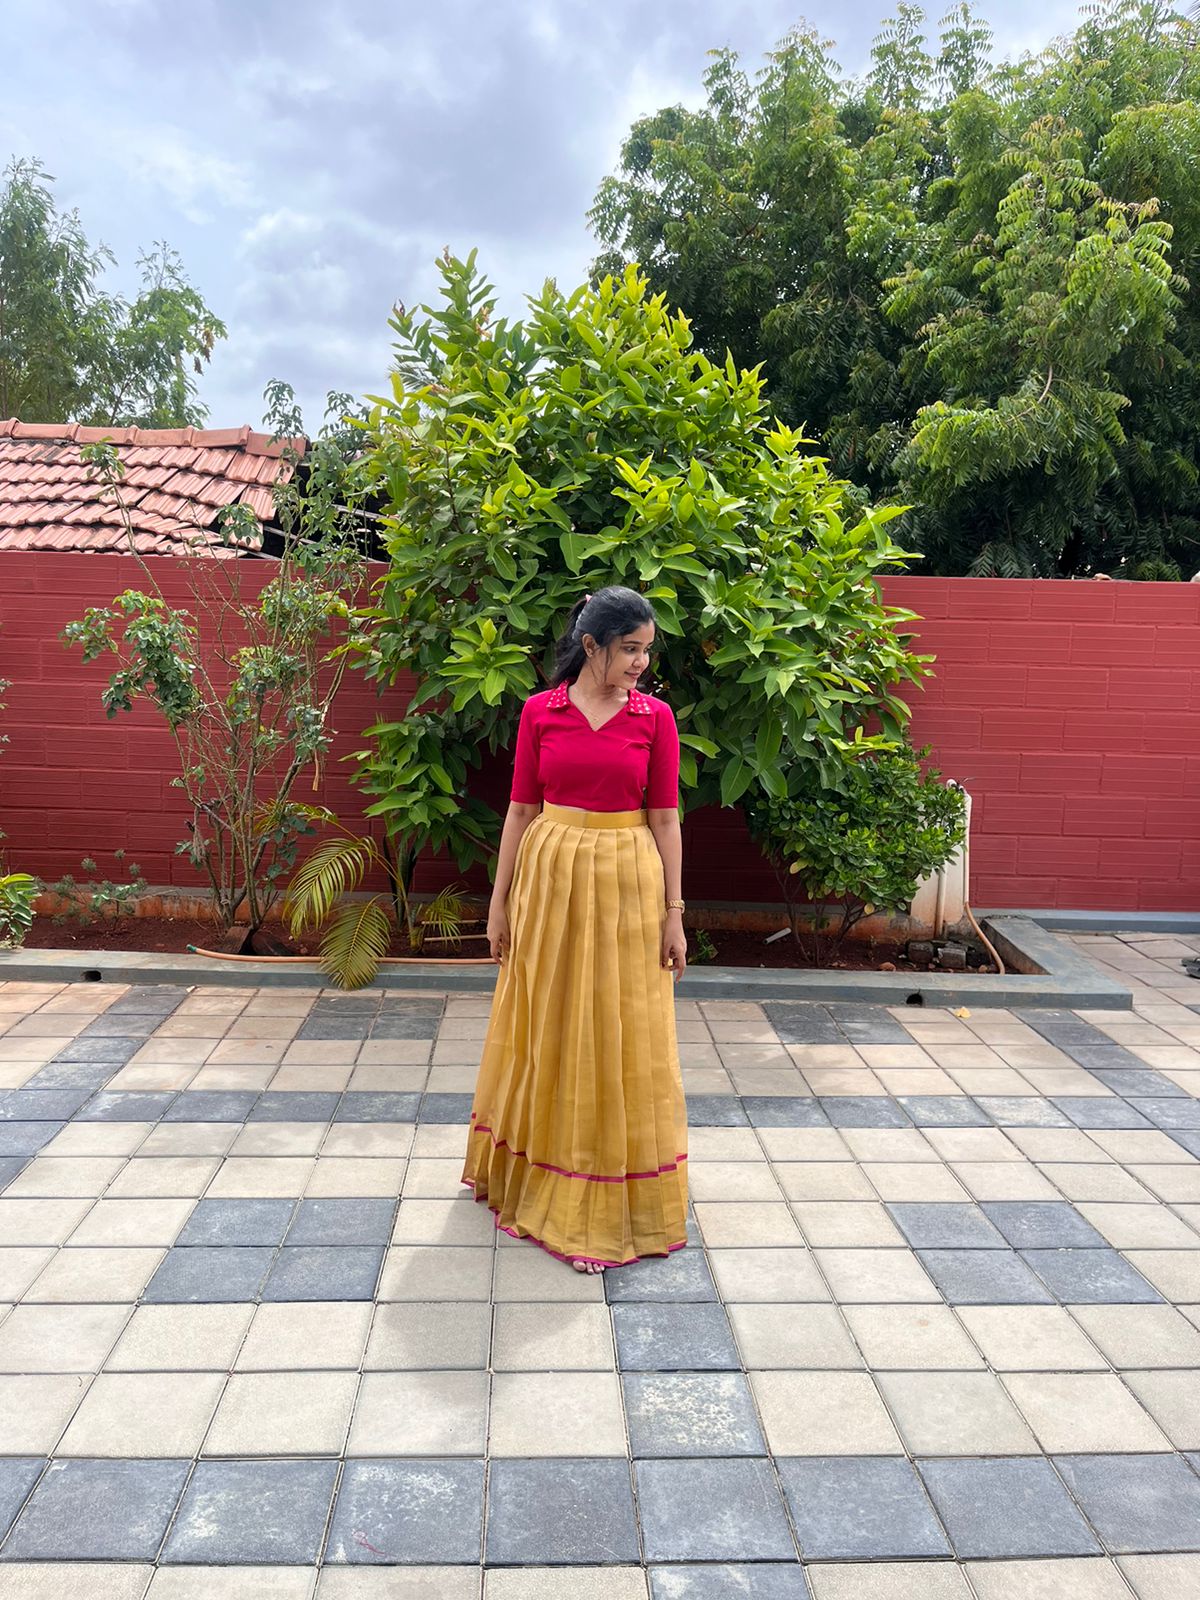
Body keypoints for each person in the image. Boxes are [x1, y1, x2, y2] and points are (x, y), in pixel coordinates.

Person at [461, 585, 688, 1274]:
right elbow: (520, 813)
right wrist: (498, 904)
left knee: (617, 1032)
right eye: (629, 650)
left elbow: (666, 821)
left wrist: (675, 914)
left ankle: (603, 1201)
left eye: (646, 651)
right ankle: (531, 1180)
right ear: (590, 647)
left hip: (627, 886)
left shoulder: (656, 719)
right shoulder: (540, 714)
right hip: (550, 883)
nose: (640, 663)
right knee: (547, 1024)